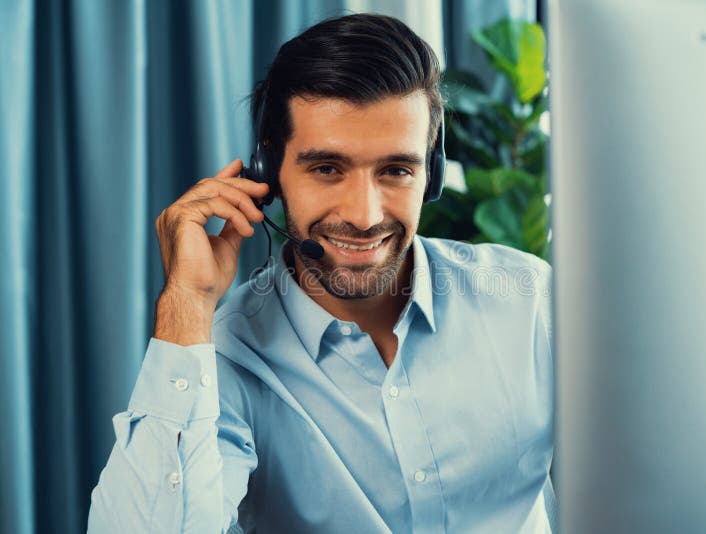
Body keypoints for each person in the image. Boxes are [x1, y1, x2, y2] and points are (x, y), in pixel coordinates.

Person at [88, 13, 554, 534]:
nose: (364, 214)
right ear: (267, 175)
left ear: (432, 173)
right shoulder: (223, 360)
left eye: (396, 170)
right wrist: (187, 305)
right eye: (327, 169)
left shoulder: (531, 302)